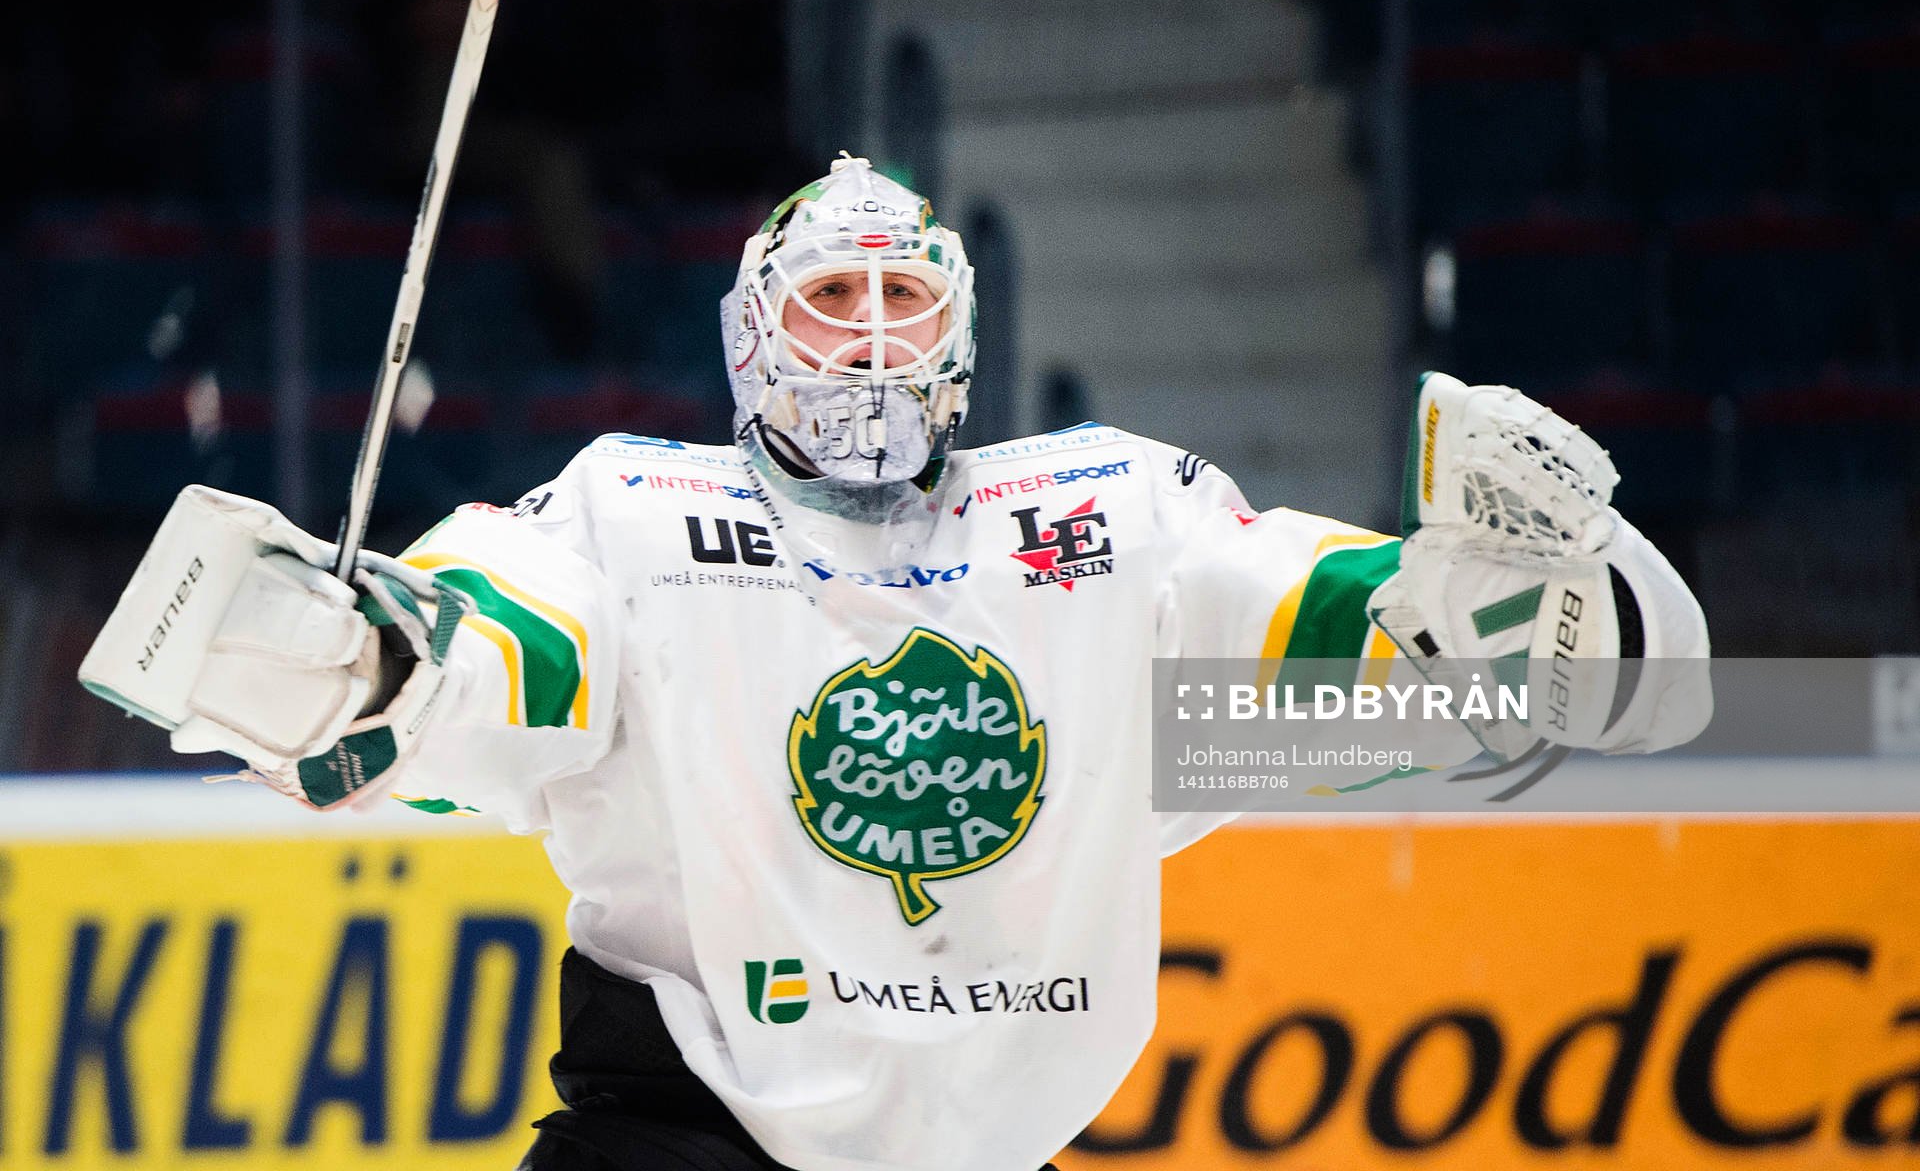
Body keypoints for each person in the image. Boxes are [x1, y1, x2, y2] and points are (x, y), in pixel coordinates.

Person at [81, 156, 1711, 1171]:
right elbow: (523, 646)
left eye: (903, 291)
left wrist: (1466, 613)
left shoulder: (1101, 511)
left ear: (962, 330)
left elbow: (1283, 625)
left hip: (994, 1134)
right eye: (831, 298)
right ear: (752, 340)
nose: (870, 331)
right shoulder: (639, 510)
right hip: (684, 1125)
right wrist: (385, 662)